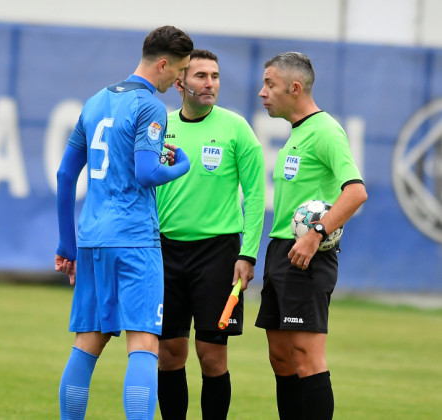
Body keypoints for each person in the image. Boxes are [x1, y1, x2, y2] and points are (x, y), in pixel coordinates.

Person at [54, 25, 194, 420]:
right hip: (134, 239)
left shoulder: (96, 101)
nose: (180, 79)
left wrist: (67, 246)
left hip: (93, 239)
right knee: (145, 344)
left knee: (87, 343)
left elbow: (66, 177)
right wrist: (181, 166)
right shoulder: (150, 107)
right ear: (163, 63)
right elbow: (147, 172)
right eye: (180, 70)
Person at [255, 52, 367, 420]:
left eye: (270, 84)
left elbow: (355, 192)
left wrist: (316, 233)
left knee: (307, 357)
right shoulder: (297, 133)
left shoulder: (326, 131)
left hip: (308, 255)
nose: (262, 92)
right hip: (280, 250)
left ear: (295, 87)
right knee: (280, 359)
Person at [155, 49, 266, 420]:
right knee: (169, 353)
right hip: (164, 251)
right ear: (179, 82)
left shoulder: (237, 129)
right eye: (201, 76)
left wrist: (247, 254)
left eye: (215, 76)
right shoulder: (159, 125)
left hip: (218, 255)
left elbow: (255, 197)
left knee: (211, 355)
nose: (210, 83)